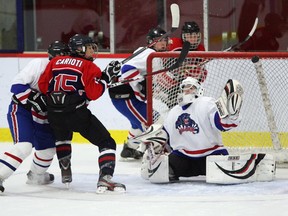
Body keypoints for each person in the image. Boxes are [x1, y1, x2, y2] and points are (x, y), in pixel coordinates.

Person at [37, 34, 125, 193]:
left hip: (53, 114)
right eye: (90, 47)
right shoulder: (90, 67)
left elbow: (43, 86)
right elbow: (94, 94)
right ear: (79, 49)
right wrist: (106, 78)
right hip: (77, 115)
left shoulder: (55, 61)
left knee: (62, 137)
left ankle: (65, 171)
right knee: (107, 142)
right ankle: (105, 178)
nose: (93, 51)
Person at [136, 77, 245, 183]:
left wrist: (232, 115)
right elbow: (167, 136)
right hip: (183, 159)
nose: (187, 90)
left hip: (211, 156)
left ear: (199, 90)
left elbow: (222, 125)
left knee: (225, 172)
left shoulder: (207, 103)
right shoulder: (174, 111)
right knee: (157, 172)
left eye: (191, 87)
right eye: (184, 87)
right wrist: (155, 140)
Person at [0, 41, 69, 193]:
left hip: (43, 115)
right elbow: (16, 86)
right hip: (22, 110)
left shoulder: (68, 73)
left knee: (48, 150)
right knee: (24, 146)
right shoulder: (39, 64)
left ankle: (36, 176)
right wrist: (35, 97)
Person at [108, 26, 169, 160]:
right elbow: (127, 70)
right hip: (125, 97)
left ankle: (129, 149)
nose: (163, 43)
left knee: (137, 124)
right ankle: (160, 153)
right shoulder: (148, 53)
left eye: (165, 40)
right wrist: (139, 90)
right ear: (151, 42)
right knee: (154, 120)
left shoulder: (151, 54)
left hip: (125, 97)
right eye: (159, 40)